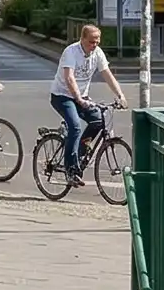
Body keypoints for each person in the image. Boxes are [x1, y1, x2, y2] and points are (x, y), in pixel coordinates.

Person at [51, 23, 128, 179]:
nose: (94, 45)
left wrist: (120, 95)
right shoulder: (71, 52)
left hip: (82, 97)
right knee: (75, 127)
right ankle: (70, 169)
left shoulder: (97, 53)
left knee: (99, 121)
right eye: (91, 42)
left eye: (97, 42)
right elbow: (69, 78)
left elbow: (107, 74)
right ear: (82, 39)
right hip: (62, 96)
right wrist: (78, 98)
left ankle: (79, 150)